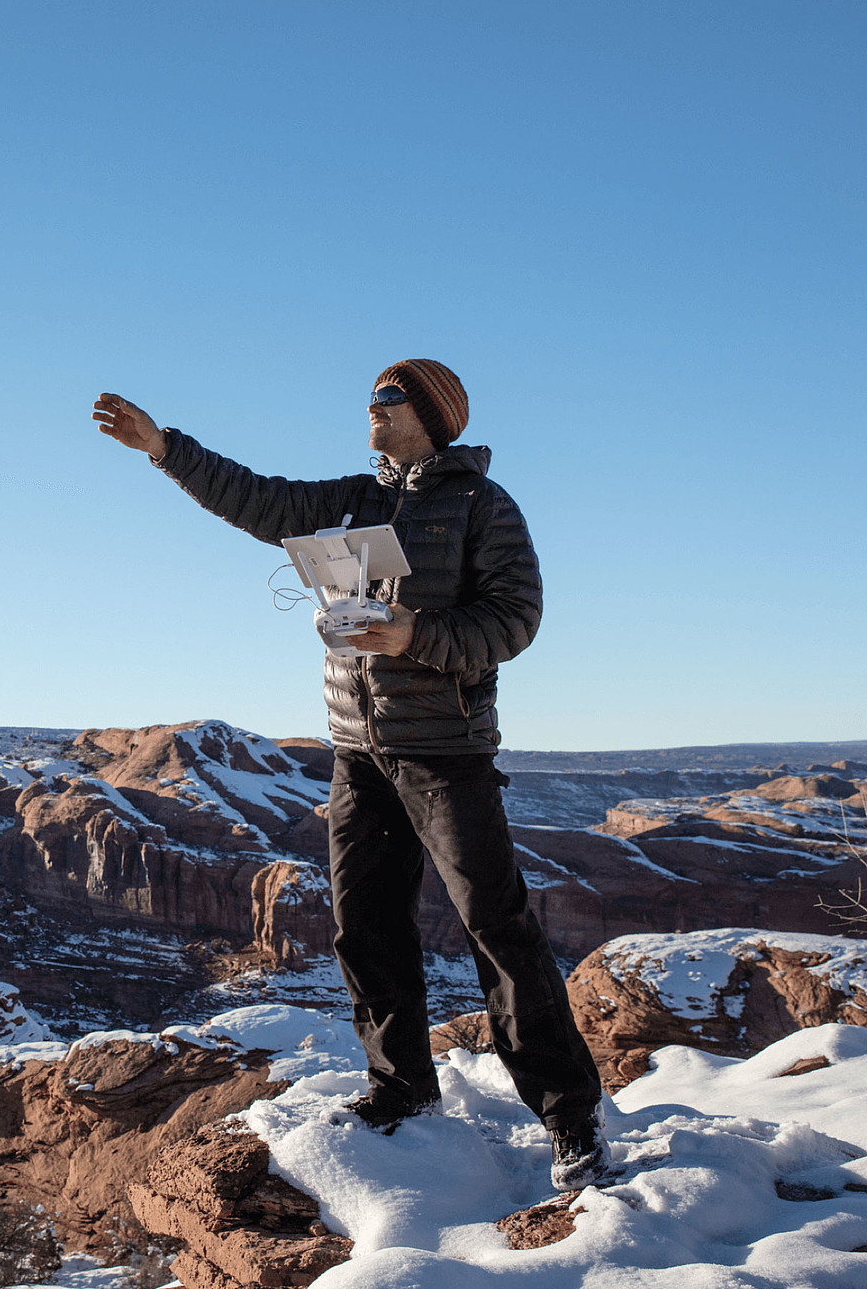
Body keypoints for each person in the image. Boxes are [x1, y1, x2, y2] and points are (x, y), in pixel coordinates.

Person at [91, 361, 611, 1190]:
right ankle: (401, 1090)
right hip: (358, 751)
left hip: (446, 751)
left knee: (496, 929)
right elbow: (256, 499)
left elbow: (516, 619)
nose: (371, 409)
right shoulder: (353, 499)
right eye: (370, 397)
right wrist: (164, 449)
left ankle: (570, 1116)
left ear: (432, 414)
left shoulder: (483, 505)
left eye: (389, 398)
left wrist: (414, 637)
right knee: (364, 924)